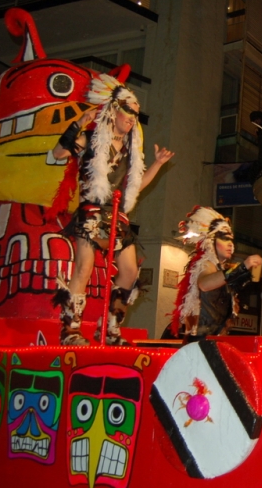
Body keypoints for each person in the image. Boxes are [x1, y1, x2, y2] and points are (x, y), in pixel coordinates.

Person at [51, 73, 174, 346]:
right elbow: (58, 154)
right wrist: (77, 125)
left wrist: (157, 164)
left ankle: (109, 328)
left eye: (136, 114)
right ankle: (70, 330)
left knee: (130, 272)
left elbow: (134, 185)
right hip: (92, 210)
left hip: (118, 215)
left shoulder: (132, 150)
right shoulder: (91, 140)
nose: (132, 118)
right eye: (128, 112)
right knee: (84, 267)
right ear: (114, 111)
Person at [170, 206, 262, 343]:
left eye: (232, 241)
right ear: (211, 240)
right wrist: (242, 267)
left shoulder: (220, 269)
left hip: (213, 338)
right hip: (200, 340)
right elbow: (204, 284)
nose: (231, 245)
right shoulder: (205, 263)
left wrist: (244, 273)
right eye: (225, 239)